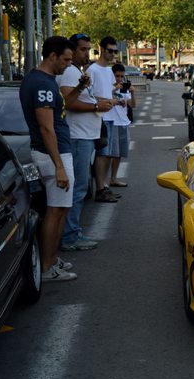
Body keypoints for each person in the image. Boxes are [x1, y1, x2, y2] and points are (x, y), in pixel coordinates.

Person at [19, 36, 77, 282]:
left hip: (55, 153)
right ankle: (46, 267)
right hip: (53, 155)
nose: (67, 65)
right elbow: (46, 129)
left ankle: (51, 260)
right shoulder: (42, 85)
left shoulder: (41, 80)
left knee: (61, 209)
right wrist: (59, 166)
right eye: (65, 59)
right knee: (56, 211)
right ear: (52, 56)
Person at [55, 34, 106, 252]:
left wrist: (100, 103)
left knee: (81, 187)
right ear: (72, 51)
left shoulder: (77, 71)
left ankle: (72, 232)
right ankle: (69, 236)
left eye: (88, 49)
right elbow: (69, 102)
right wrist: (96, 108)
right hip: (77, 136)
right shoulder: (69, 72)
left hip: (84, 135)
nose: (87, 53)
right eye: (83, 49)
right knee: (77, 188)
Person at [88, 36, 122, 202]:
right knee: (101, 154)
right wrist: (108, 100)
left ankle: (105, 186)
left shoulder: (109, 71)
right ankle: (100, 188)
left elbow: (108, 91)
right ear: (101, 49)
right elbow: (89, 95)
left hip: (110, 116)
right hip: (99, 117)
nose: (112, 54)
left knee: (107, 154)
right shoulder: (92, 70)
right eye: (110, 51)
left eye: (115, 51)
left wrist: (117, 95)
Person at [107, 63, 136, 188]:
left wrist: (133, 93)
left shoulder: (124, 88)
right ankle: (103, 181)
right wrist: (113, 88)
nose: (119, 79)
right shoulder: (107, 87)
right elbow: (101, 98)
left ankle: (113, 178)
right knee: (109, 154)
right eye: (117, 76)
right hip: (111, 122)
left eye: (121, 76)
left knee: (119, 154)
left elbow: (133, 105)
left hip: (123, 122)